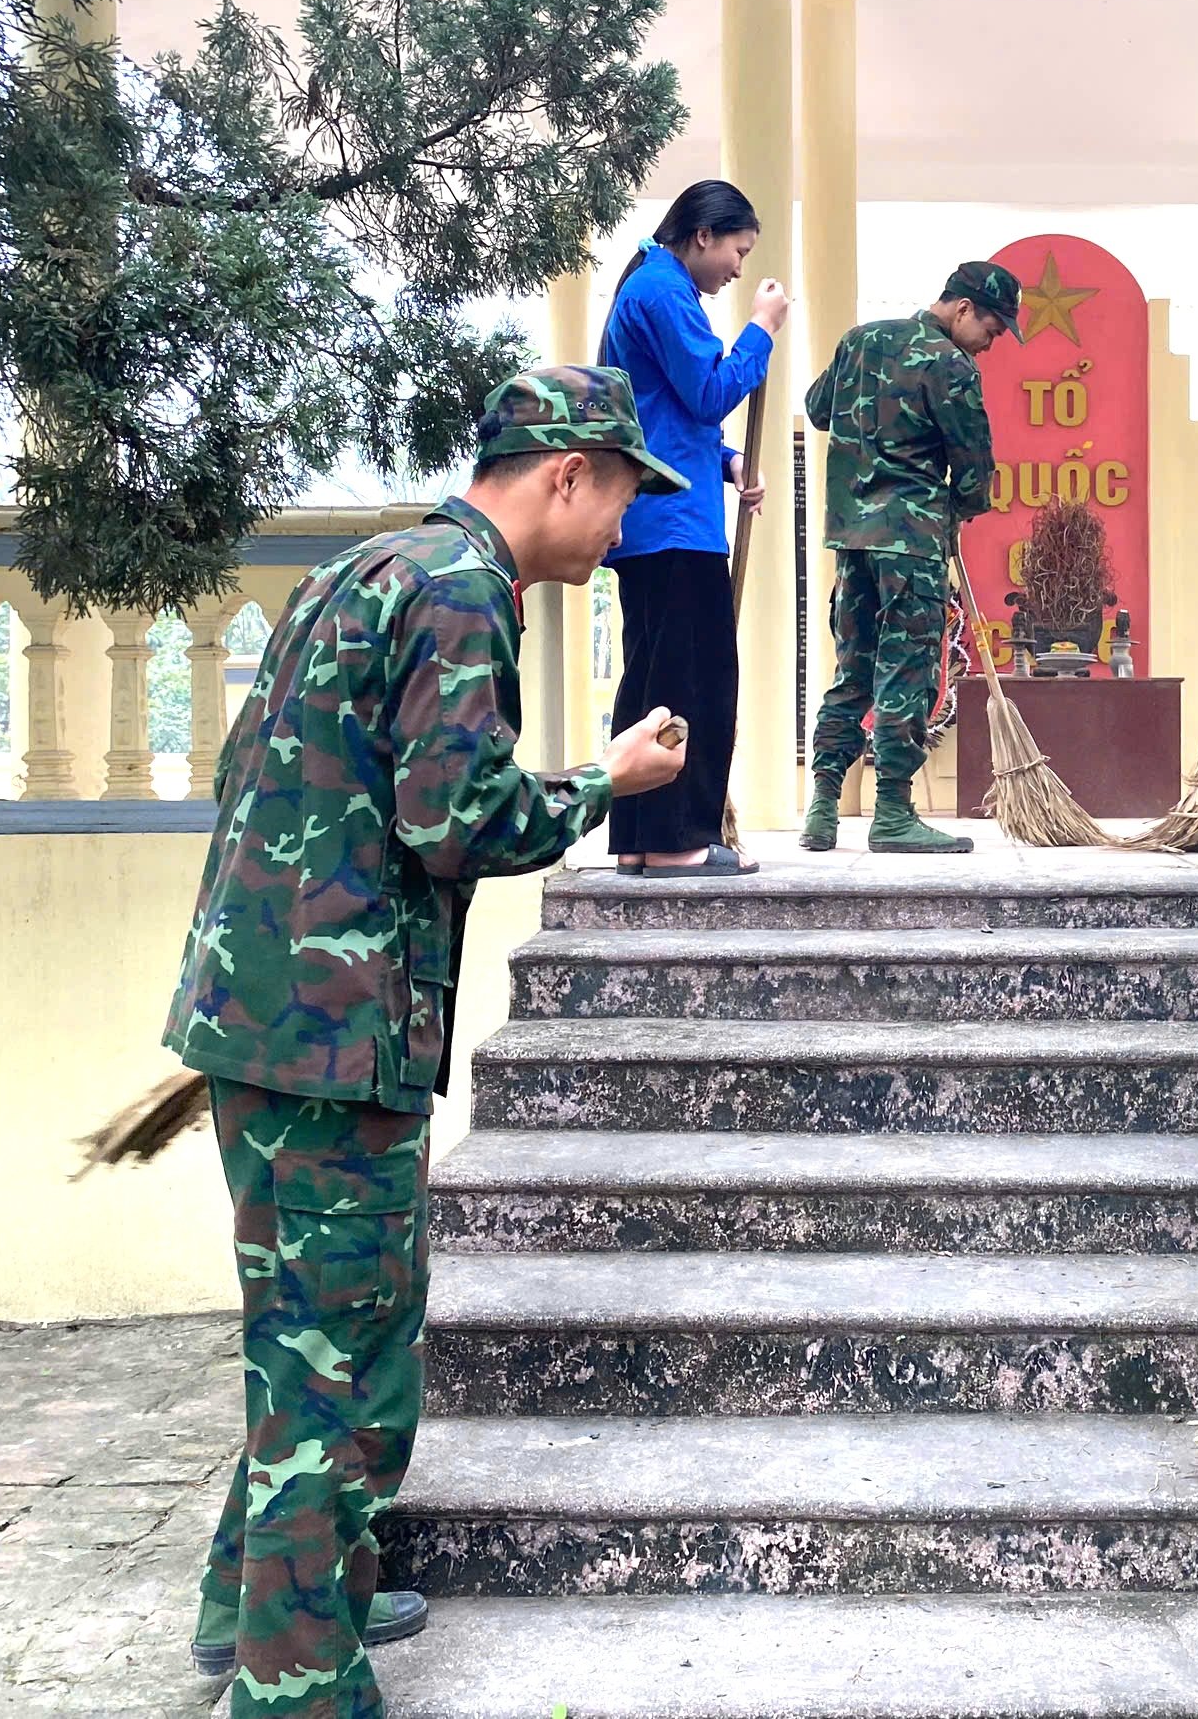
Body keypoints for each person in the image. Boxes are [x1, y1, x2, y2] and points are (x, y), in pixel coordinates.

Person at [165, 366, 691, 1716]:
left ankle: (263, 1595)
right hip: (336, 1039)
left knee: (309, 1327)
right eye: (626, 492)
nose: (625, 530)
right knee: (344, 1353)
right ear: (568, 471)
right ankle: (298, 1680)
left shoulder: (364, 569)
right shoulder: (463, 593)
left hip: (267, 1016)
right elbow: (456, 822)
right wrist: (605, 781)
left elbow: (251, 771)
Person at [598, 179, 789, 878]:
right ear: (703, 235)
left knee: (655, 675)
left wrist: (731, 459)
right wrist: (762, 328)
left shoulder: (648, 288)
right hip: (676, 525)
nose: (739, 269)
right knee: (696, 679)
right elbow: (711, 390)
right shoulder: (662, 291)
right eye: (737, 251)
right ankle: (679, 839)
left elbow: (665, 413)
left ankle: (644, 840)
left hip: (661, 517)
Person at [799, 260, 1019, 856]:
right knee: (907, 671)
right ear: (964, 308)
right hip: (912, 542)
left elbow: (818, 409)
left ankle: (822, 807)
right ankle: (893, 811)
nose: (993, 343)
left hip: (850, 539)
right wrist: (961, 507)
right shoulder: (953, 367)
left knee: (854, 669)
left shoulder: (860, 340)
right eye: (994, 329)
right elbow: (975, 467)